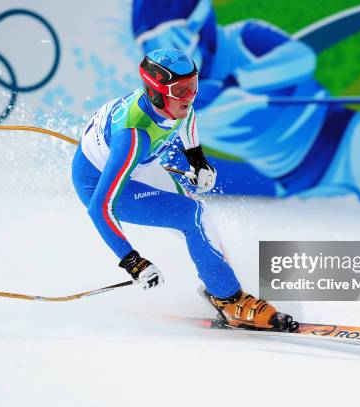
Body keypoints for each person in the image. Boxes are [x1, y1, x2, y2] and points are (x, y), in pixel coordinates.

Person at [71, 47, 295, 330]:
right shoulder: (132, 138)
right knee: (191, 215)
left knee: (199, 219)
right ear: (155, 92)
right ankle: (229, 298)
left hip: (138, 164)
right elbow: (99, 208)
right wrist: (133, 263)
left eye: (193, 85)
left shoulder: (173, 104)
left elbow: (187, 121)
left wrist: (198, 161)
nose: (190, 96)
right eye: (181, 90)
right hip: (100, 183)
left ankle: (222, 286)